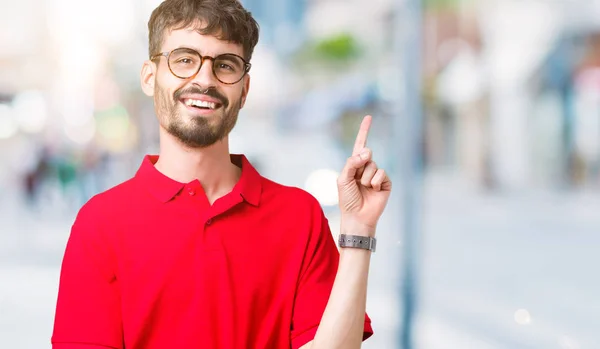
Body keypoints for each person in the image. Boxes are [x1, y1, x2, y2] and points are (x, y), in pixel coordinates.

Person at [51, 0, 392, 348]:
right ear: (150, 77)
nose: (204, 79)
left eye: (225, 65)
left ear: (243, 90)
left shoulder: (301, 217)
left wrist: (359, 230)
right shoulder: (100, 224)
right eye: (184, 60)